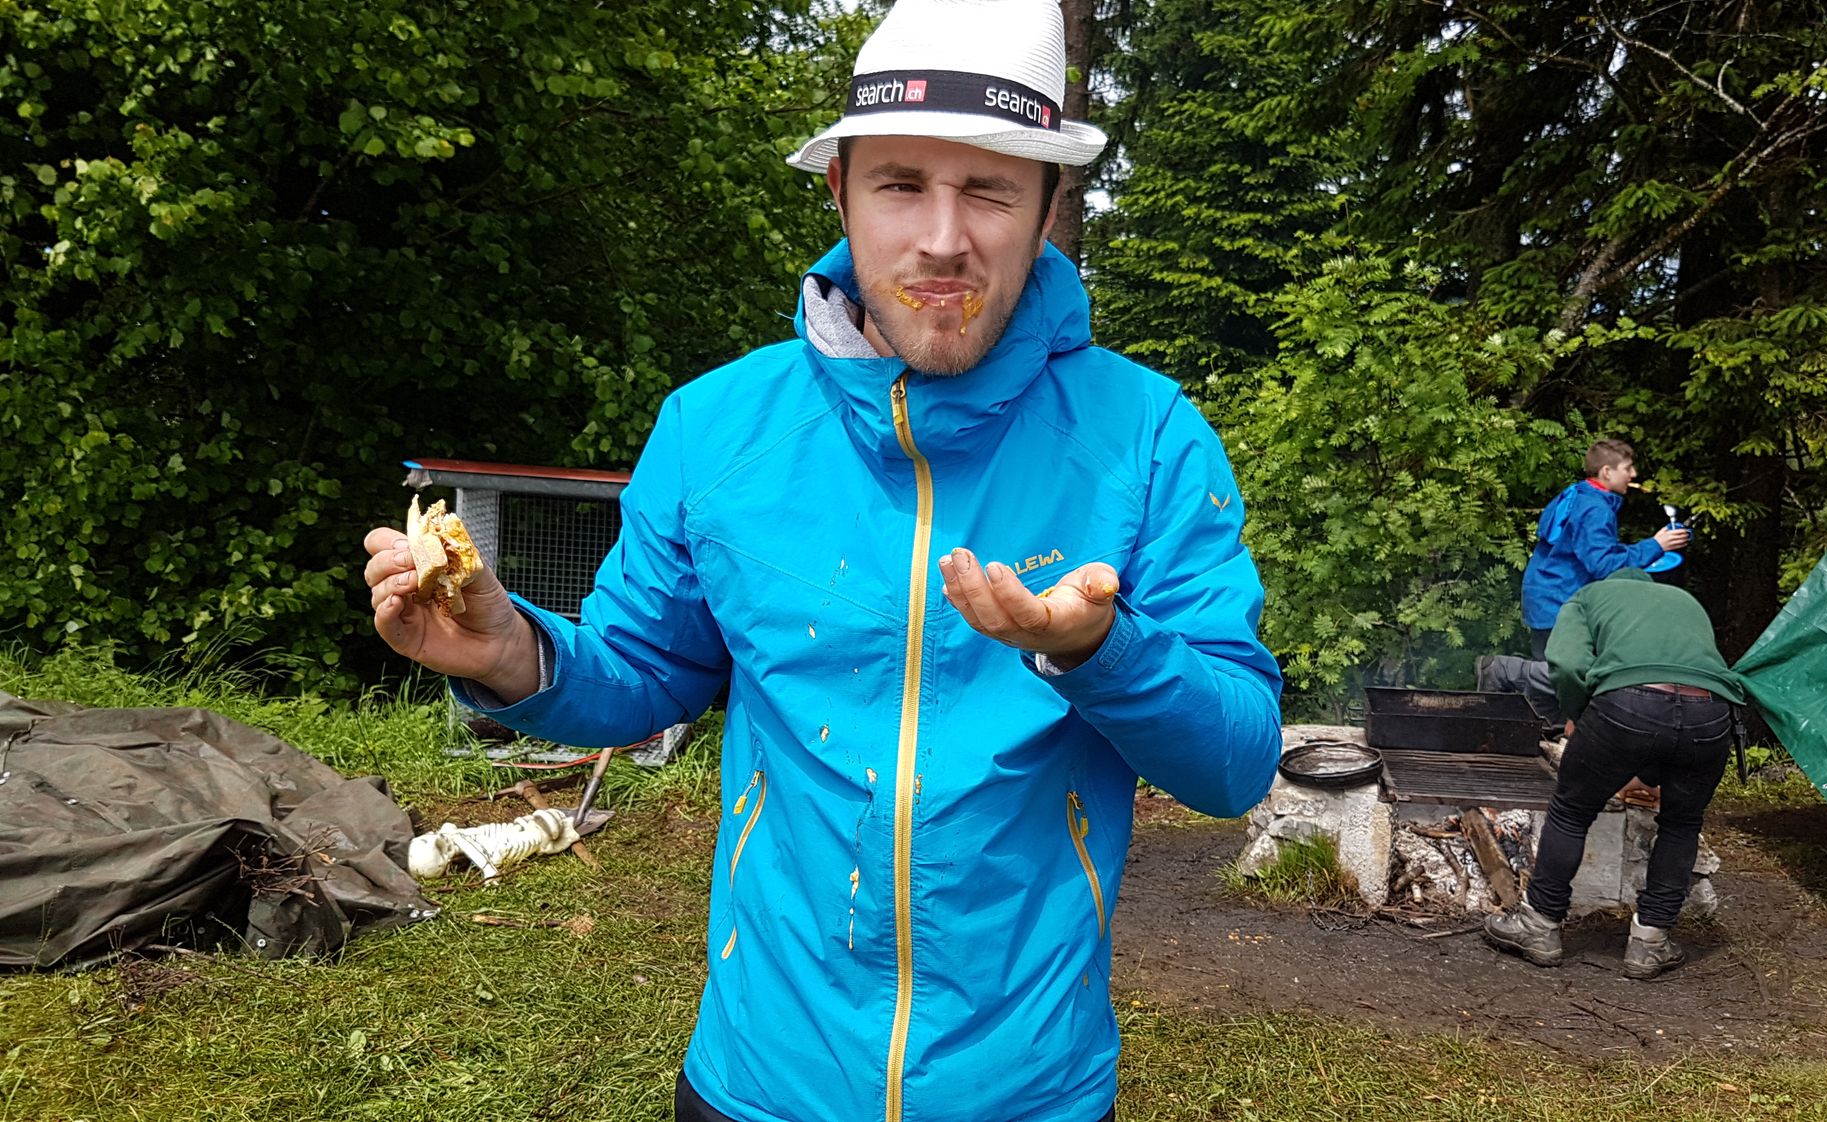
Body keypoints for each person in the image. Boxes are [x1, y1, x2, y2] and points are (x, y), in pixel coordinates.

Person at [363, 3, 1282, 1120]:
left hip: (1026, 1090)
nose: (942, 238)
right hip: (759, 1078)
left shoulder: (1146, 437)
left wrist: (1102, 651)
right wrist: (511, 653)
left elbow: (1234, 765)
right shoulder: (716, 427)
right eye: (901, 183)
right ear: (840, 191)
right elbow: (645, 674)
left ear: (1048, 207)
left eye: (989, 190)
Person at [1481, 569, 1746, 979]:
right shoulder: (1684, 600)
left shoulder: (1588, 597)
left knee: (1572, 810)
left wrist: (1578, 713)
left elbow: (1567, 664)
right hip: (1710, 714)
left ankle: (1540, 924)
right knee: (1681, 823)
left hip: (1628, 704)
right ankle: (1650, 942)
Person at [1520, 440, 1689, 659]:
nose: (1633, 474)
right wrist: (1657, 545)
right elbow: (1604, 565)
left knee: (1548, 668)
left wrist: (1654, 544)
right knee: (1560, 674)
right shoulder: (1595, 510)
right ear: (1607, 472)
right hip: (1560, 605)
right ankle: (1501, 670)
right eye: (1627, 468)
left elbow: (1590, 551)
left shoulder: (1578, 493)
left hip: (1545, 599)